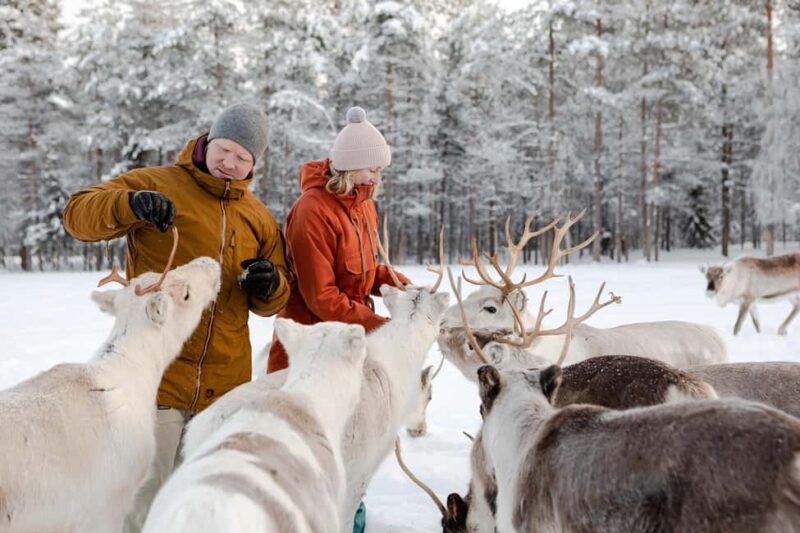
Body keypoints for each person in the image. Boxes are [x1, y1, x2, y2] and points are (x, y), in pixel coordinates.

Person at [62, 103, 290, 532]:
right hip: (156, 378)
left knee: (203, 501)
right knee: (142, 499)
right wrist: (130, 204)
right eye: (224, 149)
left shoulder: (258, 217)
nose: (230, 163)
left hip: (224, 389)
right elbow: (78, 216)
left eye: (243, 158)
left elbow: (275, 299)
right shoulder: (158, 183)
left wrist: (270, 284)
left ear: (253, 164)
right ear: (207, 141)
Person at [267, 106, 411, 373]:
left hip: (349, 342)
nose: (377, 179)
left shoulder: (363, 205)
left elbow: (363, 271)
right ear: (349, 167)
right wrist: (379, 326)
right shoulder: (312, 210)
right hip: (310, 352)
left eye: (380, 171)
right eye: (372, 170)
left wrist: (405, 289)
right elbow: (321, 296)